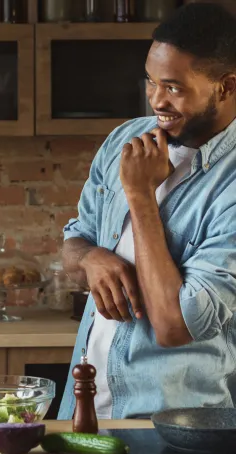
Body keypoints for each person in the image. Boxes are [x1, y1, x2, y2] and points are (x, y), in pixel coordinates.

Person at [58, 2, 236, 420]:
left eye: (173, 87)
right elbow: (73, 242)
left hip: (178, 428)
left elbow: (177, 326)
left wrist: (140, 196)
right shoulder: (126, 138)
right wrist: (91, 257)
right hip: (84, 411)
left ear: (226, 86)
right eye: (151, 82)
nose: (156, 100)